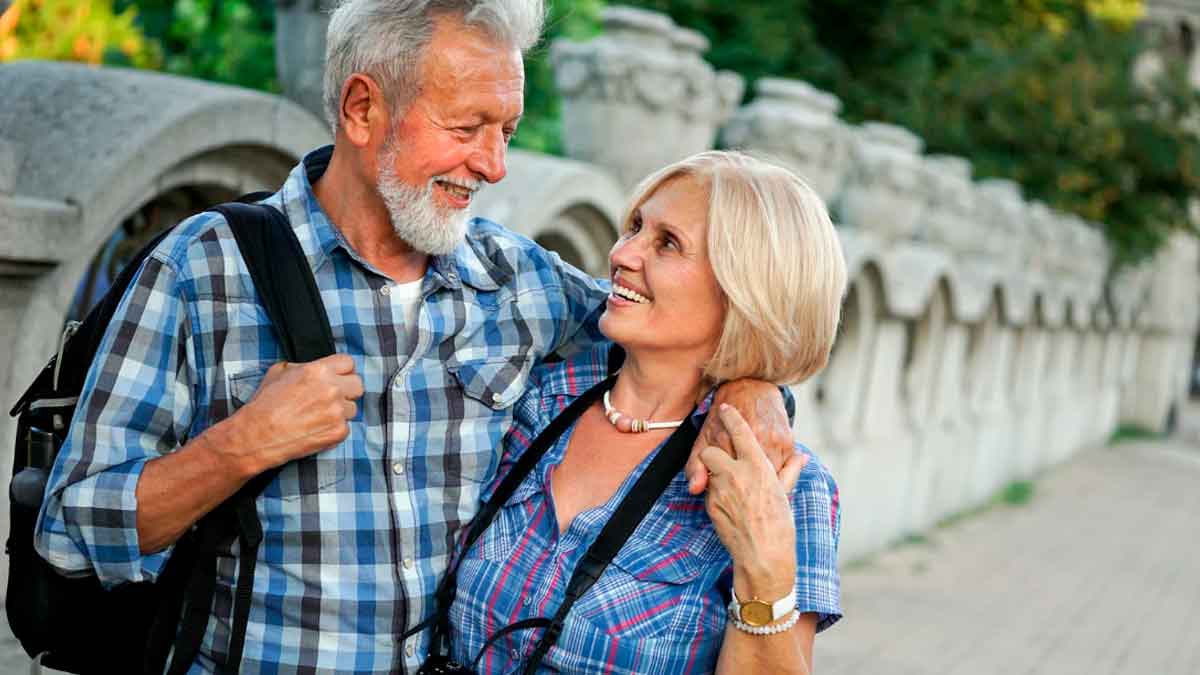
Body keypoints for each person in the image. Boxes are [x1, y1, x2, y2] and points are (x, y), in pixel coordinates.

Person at [33, 1, 792, 672]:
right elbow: (69, 528)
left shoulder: (515, 278)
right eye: (467, 128)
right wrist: (240, 445)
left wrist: (755, 386)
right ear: (362, 109)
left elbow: (677, 327)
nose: (494, 165)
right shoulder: (205, 266)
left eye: (507, 131)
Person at [446, 151, 846, 674]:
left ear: (744, 291)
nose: (624, 253)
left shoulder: (782, 480)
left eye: (667, 243)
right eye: (635, 226)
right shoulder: (538, 398)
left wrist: (764, 571)